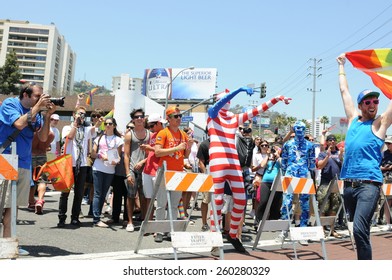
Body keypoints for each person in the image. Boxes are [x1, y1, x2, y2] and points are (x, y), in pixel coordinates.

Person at [207, 87, 291, 256]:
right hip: (217, 160)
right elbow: (219, 103)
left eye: (230, 99)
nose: (228, 101)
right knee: (216, 200)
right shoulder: (212, 114)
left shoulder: (233, 118)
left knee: (241, 199)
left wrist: (277, 98)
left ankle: (232, 234)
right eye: (226, 99)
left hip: (233, 162)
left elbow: (257, 110)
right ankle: (214, 238)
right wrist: (238, 90)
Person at [337, 53, 392, 259]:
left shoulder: (380, 124)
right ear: (360, 106)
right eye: (367, 101)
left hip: (369, 185)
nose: (372, 104)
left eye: (375, 101)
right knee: (357, 232)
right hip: (349, 187)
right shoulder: (353, 120)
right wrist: (341, 66)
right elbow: (344, 91)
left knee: (360, 230)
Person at [0, 82, 55, 255]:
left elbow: (44, 137)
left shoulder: (37, 113)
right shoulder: (10, 104)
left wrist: (47, 117)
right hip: (6, 158)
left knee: (13, 205)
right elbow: (18, 123)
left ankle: (7, 244)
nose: (41, 99)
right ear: (25, 95)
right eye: (37, 96)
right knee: (2, 203)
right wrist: (38, 108)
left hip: (24, 161)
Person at [154, 106, 193, 242]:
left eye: (180, 116)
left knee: (174, 204)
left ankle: (170, 230)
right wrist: (177, 147)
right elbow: (157, 152)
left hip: (177, 172)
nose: (179, 119)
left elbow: (186, 155)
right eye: (175, 116)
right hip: (164, 171)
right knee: (161, 203)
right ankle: (159, 230)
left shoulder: (183, 134)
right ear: (168, 119)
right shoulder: (163, 133)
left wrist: (189, 146)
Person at [58, 106, 99, 228]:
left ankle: (75, 217)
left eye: (83, 115)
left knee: (79, 192)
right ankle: (61, 217)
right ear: (74, 114)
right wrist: (75, 124)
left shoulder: (86, 129)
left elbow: (95, 128)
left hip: (82, 164)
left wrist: (98, 121)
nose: (82, 116)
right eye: (80, 114)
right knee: (65, 192)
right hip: (69, 163)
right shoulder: (67, 127)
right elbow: (69, 137)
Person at [280, 121, 315, 232]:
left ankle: (303, 229)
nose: (299, 130)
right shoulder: (288, 144)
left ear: (305, 130)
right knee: (287, 201)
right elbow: (284, 161)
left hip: (304, 174)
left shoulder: (310, 145)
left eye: (302, 128)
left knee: (304, 202)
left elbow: (312, 163)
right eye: (297, 128)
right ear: (294, 129)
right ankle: (284, 230)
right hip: (290, 174)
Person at [90, 117, 124, 228]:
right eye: (106, 123)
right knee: (98, 193)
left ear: (114, 125)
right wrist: (101, 156)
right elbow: (93, 154)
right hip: (98, 168)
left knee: (103, 194)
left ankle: (97, 216)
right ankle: (96, 219)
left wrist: (116, 161)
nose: (107, 125)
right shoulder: (99, 138)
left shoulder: (118, 140)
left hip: (110, 170)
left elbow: (118, 157)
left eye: (110, 123)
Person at [123, 108, 150, 232]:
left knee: (145, 197)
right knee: (131, 196)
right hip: (132, 169)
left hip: (146, 169)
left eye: (141, 116)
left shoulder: (150, 134)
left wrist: (143, 162)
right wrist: (128, 173)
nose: (139, 118)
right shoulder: (129, 135)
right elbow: (126, 155)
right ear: (133, 120)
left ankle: (145, 221)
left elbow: (152, 153)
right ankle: (130, 221)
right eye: (137, 117)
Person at [140, 113, 167, 224]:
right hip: (148, 170)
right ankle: (149, 224)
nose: (150, 129)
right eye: (149, 126)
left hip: (158, 170)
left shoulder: (165, 134)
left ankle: (158, 226)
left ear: (159, 123)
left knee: (160, 201)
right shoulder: (153, 135)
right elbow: (151, 153)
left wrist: (149, 148)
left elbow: (160, 152)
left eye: (152, 126)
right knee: (148, 199)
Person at [316, 134, 343, 238]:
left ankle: (332, 230)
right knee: (323, 206)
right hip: (325, 183)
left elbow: (343, 165)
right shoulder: (322, 154)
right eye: (330, 140)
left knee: (334, 207)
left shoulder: (338, 153)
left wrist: (341, 157)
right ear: (327, 142)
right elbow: (319, 166)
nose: (332, 142)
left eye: (334, 140)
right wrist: (327, 156)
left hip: (337, 183)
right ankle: (322, 230)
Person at [29, 130, 54, 214]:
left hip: (30, 156)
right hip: (42, 156)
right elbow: (48, 147)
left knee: (31, 180)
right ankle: (40, 200)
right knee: (42, 180)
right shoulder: (50, 134)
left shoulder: (32, 132)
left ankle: (31, 201)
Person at [196, 132, 212, 232]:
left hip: (221, 175)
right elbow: (201, 162)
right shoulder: (204, 144)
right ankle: (204, 223)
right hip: (208, 174)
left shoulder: (222, 143)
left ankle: (222, 224)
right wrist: (205, 174)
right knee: (206, 200)